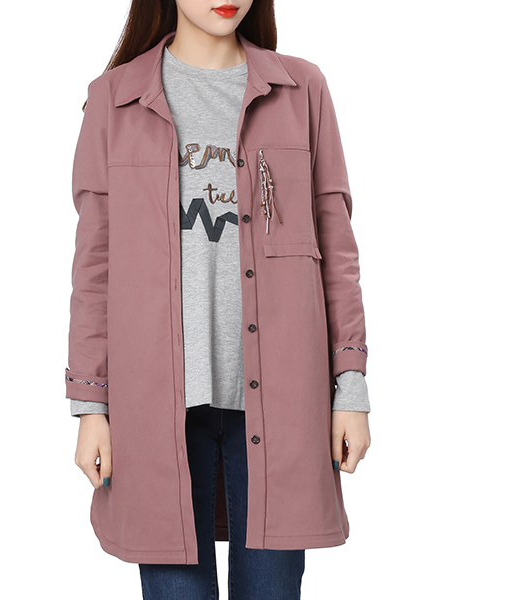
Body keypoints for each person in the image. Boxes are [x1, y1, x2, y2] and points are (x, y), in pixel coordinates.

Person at [66, 1, 371, 598]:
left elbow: (336, 246)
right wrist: (90, 406)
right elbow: (94, 266)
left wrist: (351, 386)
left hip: (283, 403)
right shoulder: (113, 100)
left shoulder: (301, 89)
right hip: (155, 408)